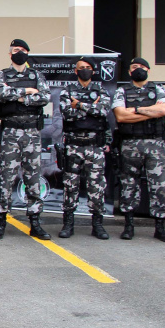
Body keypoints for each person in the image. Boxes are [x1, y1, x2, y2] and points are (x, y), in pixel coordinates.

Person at [0, 39, 51, 240]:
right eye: (15, 50)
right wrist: (28, 91)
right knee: (6, 178)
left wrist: (17, 96)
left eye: (23, 50)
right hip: (10, 132)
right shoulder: (2, 74)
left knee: (33, 178)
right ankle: (1, 221)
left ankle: (35, 222)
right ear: (10, 54)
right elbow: (1, 94)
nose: (19, 53)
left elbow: (44, 97)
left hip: (32, 133)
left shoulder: (37, 75)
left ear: (28, 53)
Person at [112, 57, 165, 242]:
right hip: (130, 144)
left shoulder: (158, 89)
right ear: (129, 73)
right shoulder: (122, 91)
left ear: (148, 70)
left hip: (155, 145)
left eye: (141, 67)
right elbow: (121, 116)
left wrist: (135, 110)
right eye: (134, 67)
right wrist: (149, 112)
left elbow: (164, 111)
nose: (138, 69)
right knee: (129, 185)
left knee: (160, 185)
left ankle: (160, 227)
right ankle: (129, 225)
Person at [57, 58, 112, 240]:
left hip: (95, 146)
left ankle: (97, 225)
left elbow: (103, 111)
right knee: (70, 186)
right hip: (73, 146)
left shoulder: (101, 90)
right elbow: (67, 113)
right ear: (75, 71)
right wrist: (91, 108)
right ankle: (68, 224)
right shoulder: (68, 91)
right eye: (82, 68)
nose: (85, 70)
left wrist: (79, 105)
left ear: (93, 71)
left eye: (88, 68)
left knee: (96, 187)